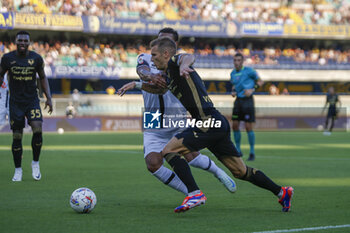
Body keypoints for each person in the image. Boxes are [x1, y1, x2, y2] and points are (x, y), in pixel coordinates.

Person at [147, 37, 293, 213]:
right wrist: (136, 83)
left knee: (169, 150)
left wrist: (185, 65)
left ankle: (194, 193)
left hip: (207, 121)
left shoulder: (174, 63)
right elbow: (158, 89)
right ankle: (281, 192)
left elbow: (187, 56)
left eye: (154, 54)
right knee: (240, 171)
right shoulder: (169, 75)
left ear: (165, 53)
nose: (151, 58)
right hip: (216, 122)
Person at [117, 27, 236, 197]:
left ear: (174, 45)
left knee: (191, 155)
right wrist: (149, 76)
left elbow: (187, 60)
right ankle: (190, 192)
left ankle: (218, 173)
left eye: (166, 39)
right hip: (152, 117)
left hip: (175, 114)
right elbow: (141, 70)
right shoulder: (147, 57)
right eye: (160, 38)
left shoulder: (176, 63)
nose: (161, 42)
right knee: (152, 163)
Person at [0, 31, 53, 181]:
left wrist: (48, 97)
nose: (22, 43)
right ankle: (18, 170)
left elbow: (43, 77)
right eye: (20, 40)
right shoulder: (7, 58)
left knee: (37, 129)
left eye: (25, 41)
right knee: (17, 136)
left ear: (29, 43)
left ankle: (35, 163)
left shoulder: (36, 58)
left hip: (32, 101)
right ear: (15, 42)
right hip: (15, 102)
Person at [230, 53, 264, 161]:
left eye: (238, 60)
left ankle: (252, 152)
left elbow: (261, 81)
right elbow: (234, 85)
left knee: (248, 127)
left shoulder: (249, 71)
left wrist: (252, 89)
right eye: (235, 60)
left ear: (242, 61)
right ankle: (238, 150)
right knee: (235, 125)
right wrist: (234, 91)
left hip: (248, 101)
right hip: (238, 101)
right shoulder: (232, 73)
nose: (236, 62)